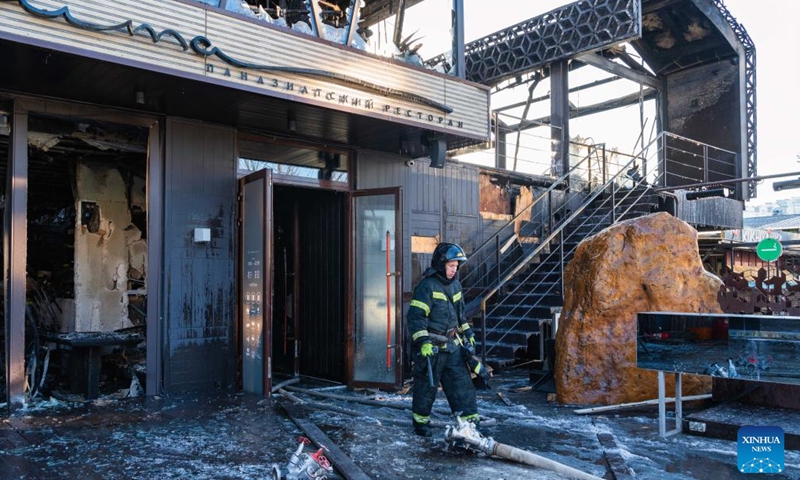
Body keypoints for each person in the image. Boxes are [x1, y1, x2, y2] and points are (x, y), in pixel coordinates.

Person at [407, 242, 479, 437]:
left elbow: (461, 316)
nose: (454, 270)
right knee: (426, 388)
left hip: (453, 346)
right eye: (451, 265)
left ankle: (470, 425)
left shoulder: (456, 286)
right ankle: (421, 425)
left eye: (456, 266)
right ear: (441, 264)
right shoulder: (426, 287)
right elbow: (416, 318)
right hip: (432, 349)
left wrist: (468, 334)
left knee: (462, 385)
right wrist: (423, 342)